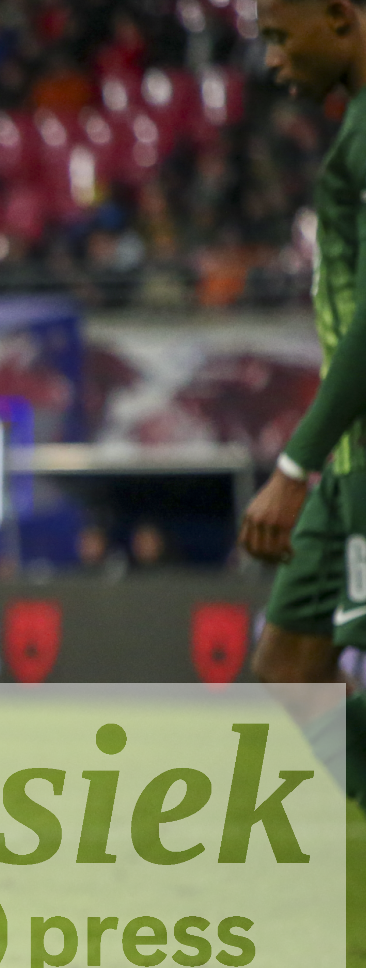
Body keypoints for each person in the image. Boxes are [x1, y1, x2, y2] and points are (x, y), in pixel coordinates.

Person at [240, 0, 366, 809]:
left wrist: (293, 465)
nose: (274, 61)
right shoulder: (353, 129)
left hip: (352, 458)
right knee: (290, 663)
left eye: (283, 38)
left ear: (340, 18)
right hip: (347, 462)